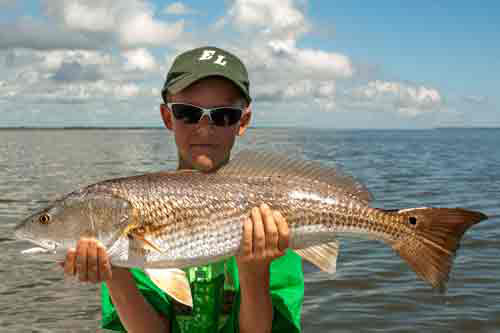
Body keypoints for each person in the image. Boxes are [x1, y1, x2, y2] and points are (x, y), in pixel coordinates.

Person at [61, 46, 304, 332]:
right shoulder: (129, 222)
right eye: (188, 113)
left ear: (243, 121)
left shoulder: (270, 219)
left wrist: (254, 273)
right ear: (167, 117)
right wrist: (114, 275)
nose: (204, 127)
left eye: (223, 114)